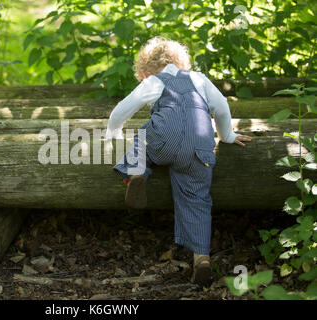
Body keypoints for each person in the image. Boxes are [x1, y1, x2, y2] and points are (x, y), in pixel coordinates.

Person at [105, 36, 252, 286]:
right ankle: (202, 259)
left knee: (142, 137)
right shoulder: (199, 79)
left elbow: (122, 110)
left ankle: (137, 174)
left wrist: (112, 134)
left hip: (162, 142)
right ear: (183, 63)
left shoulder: (154, 81)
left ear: (145, 71)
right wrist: (226, 135)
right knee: (197, 199)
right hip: (199, 147)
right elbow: (221, 106)